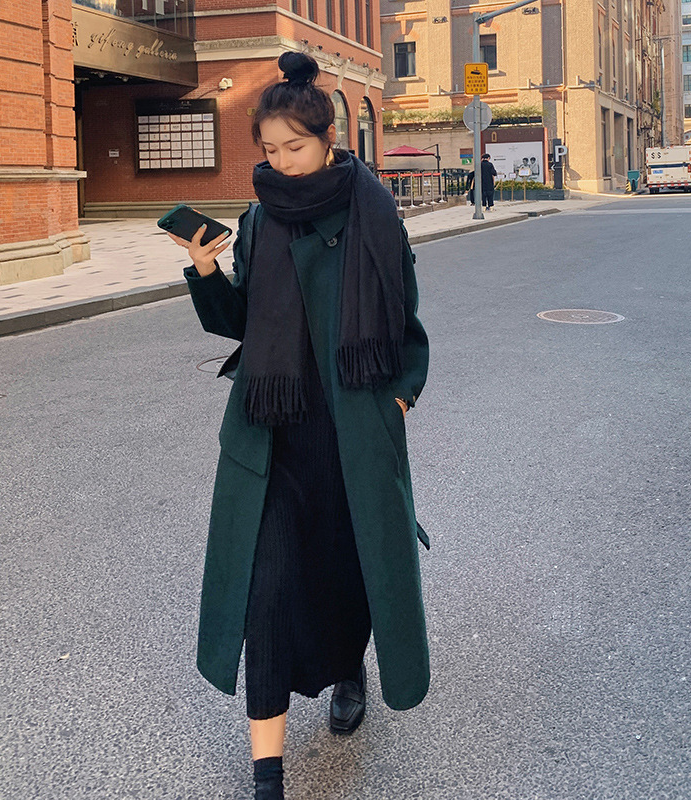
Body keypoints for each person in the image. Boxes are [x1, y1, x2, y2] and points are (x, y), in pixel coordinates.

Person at [168, 51, 431, 800]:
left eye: (295, 147)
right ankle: (268, 775)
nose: (281, 163)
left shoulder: (373, 215)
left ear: (328, 140)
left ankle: (349, 671)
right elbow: (242, 324)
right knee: (268, 590)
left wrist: (399, 399)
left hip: (351, 433)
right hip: (273, 433)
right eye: (270, 149)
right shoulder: (259, 219)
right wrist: (206, 270)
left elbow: (406, 330)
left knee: (347, 571)